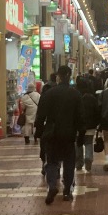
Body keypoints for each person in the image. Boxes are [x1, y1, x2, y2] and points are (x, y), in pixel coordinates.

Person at [34, 64, 83, 203]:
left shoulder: (49, 94)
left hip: (52, 133)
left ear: (58, 76)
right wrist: (81, 134)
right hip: (68, 134)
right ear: (70, 75)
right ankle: (67, 190)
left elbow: (41, 115)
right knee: (69, 162)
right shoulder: (75, 94)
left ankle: (51, 186)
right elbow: (80, 116)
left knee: (52, 161)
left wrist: (38, 132)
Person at [76, 77, 100, 173]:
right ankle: (88, 159)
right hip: (90, 126)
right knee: (89, 143)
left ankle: (78, 163)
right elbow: (97, 112)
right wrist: (96, 124)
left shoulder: (75, 96)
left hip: (78, 125)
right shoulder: (92, 97)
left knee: (78, 144)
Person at [20, 79, 41, 146]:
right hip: (36, 111)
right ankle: (35, 137)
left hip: (28, 112)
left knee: (27, 125)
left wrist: (24, 109)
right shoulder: (38, 95)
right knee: (35, 125)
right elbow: (40, 103)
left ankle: (27, 138)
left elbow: (23, 106)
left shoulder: (25, 96)